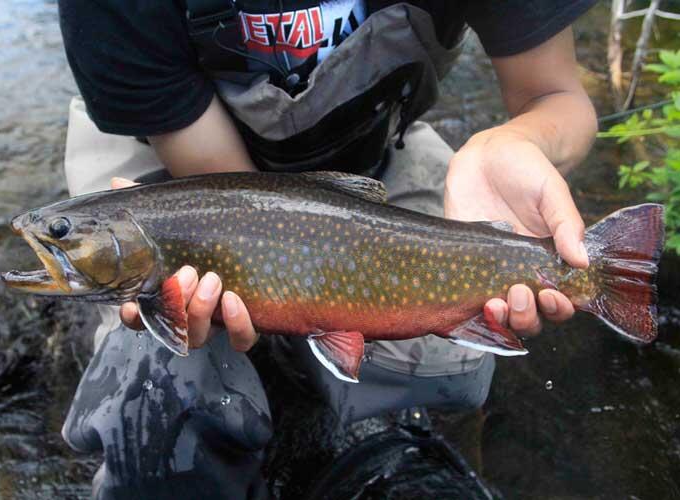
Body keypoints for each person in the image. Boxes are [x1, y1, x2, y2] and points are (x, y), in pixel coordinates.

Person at [57, 0, 598, 497]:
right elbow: (238, 202)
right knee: (158, 391)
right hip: (174, 162)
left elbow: (554, 95)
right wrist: (291, 293)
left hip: (367, 149)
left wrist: (515, 140)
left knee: (452, 366)